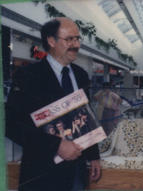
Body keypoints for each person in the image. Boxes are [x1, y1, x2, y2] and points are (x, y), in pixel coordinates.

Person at [5, 17, 101, 191]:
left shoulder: (81, 75)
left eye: (78, 38)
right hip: (42, 174)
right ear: (51, 41)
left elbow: (85, 118)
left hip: (77, 173)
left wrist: (94, 156)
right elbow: (11, 124)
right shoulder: (28, 76)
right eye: (69, 39)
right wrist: (56, 145)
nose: (76, 44)